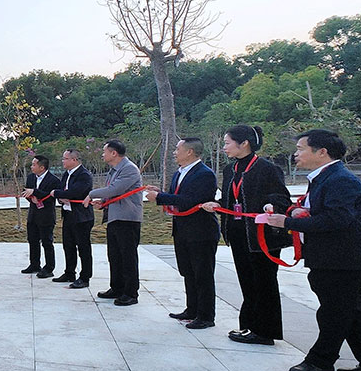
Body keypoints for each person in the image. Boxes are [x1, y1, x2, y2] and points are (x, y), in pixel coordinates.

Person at [265, 129, 361, 371]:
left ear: (322, 152)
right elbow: (324, 212)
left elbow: (337, 219)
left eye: (301, 149)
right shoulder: (324, 177)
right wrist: (295, 213)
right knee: (352, 313)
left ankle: (320, 361)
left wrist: (288, 222)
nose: (296, 154)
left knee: (334, 313)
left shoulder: (340, 180)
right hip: (333, 257)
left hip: (344, 259)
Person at [201, 125, 291, 346]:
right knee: (247, 281)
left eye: (227, 143)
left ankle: (265, 332)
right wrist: (218, 205)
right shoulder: (230, 169)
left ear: (244, 144)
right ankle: (249, 325)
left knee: (264, 282)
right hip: (238, 233)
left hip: (261, 235)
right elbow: (232, 199)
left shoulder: (267, 168)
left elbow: (281, 197)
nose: (224, 148)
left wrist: (271, 205)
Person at [146, 137, 219, 329]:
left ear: (189, 152)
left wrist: (160, 197)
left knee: (202, 274)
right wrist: (160, 193)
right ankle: (192, 309)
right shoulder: (179, 173)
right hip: (182, 230)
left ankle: (206, 316)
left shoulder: (204, 174)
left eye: (177, 149)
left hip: (201, 232)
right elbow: (177, 197)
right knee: (188, 272)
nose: (174, 152)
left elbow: (191, 200)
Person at [85, 139, 143, 306]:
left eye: (105, 152)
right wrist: (103, 202)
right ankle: (117, 288)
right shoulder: (114, 170)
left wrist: (91, 194)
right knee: (115, 256)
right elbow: (113, 194)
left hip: (127, 219)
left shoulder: (129, 169)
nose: (102, 155)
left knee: (128, 257)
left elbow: (115, 189)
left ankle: (130, 293)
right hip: (114, 217)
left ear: (114, 153)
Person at [51, 149, 94, 289]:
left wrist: (56, 193)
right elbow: (64, 192)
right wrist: (61, 197)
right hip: (68, 215)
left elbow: (74, 192)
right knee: (68, 246)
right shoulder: (66, 174)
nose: (63, 161)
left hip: (82, 217)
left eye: (65, 158)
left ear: (74, 160)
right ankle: (69, 273)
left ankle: (85, 277)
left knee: (83, 248)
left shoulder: (84, 175)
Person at [20, 155, 62, 279]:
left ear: (42, 167)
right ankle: (34, 264)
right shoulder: (31, 177)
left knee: (47, 242)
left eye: (34, 164)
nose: (31, 167)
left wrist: (35, 193)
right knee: (32, 240)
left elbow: (51, 196)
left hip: (46, 215)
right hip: (33, 214)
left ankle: (49, 268)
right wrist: (31, 198)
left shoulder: (54, 180)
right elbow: (26, 191)